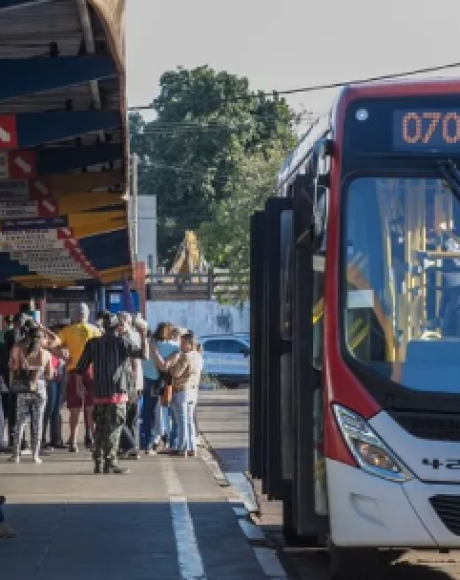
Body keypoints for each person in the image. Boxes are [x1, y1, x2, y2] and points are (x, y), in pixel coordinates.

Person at [75, 313, 149, 474]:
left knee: (100, 428)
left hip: (99, 392)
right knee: (114, 429)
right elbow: (144, 355)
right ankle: (111, 462)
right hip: (117, 393)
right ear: (117, 328)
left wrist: (79, 385)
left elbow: (80, 368)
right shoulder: (122, 342)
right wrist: (144, 336)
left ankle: (98, 462)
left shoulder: (93, 343)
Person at [57, 303, 100, 452]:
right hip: (91, 371)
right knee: (91, 408)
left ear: (76, 315)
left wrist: (61, 353)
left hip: (74, 370)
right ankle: (93, 439)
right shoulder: (95, 330)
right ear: (87, 315)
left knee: (74, 409)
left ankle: (73, 441)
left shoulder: (67, 331)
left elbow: (54, 343)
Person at [9, 326, 55, 463]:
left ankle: (16, 454)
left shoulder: (19, 351)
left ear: (28, 337)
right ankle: (35, 455)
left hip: (23, 390)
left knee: (20, 422)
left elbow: (13, 368)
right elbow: (49, 375)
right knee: (38, 422)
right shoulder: (45, 354)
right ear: (41, 339)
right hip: (39, 390)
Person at [152, 332, 203, 457]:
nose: (180, 345)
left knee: (182, 421)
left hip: (182, 390)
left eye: (183, 343)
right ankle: (191, 447)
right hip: (193, 390)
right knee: (189, 420)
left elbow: (176, 373)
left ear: (190, 345)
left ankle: (182, 447)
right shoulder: (198, 356)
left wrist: (171, 367)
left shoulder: (185, 356)